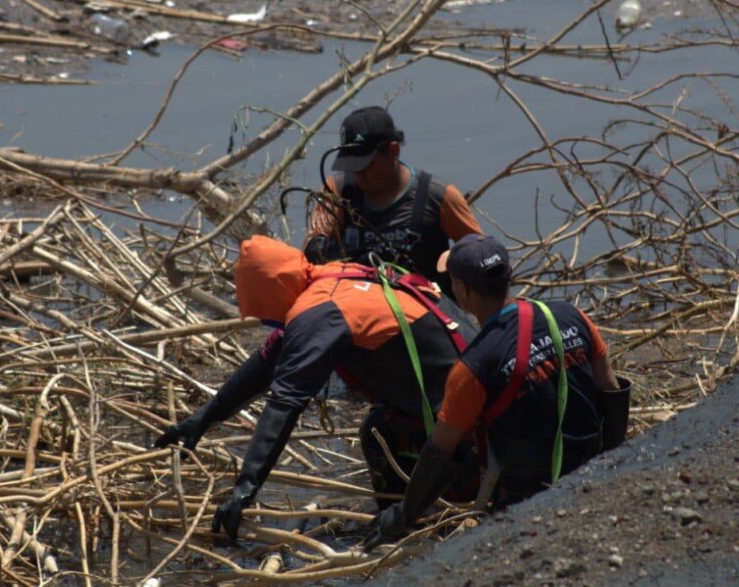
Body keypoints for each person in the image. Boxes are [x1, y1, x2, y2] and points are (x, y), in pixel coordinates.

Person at [154, 235, 480, 541]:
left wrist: (245, 488)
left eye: (265, 315)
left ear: (271, 297)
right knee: (379, 429)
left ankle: (410, 525)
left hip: (469, 417)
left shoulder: (320, 312)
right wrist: (204, 419)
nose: (271, 323)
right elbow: (267, 362)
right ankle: (415, 512)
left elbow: (284, 404)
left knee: (379, 435)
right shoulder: (333, 278)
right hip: (475, 379)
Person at [363, 234, 631, 550]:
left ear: (461, 291)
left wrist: (403, 514)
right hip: (592, 473)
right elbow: (611, 388)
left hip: (527, 502)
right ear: (510, 277)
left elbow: (441, 451)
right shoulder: (572, 316)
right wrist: (613, 469)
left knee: (382, 428)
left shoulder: (474, 366)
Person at [304, 106, 482, 291]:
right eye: (352, 166)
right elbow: (312, 249)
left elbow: (483, 258)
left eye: (367, 165)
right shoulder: (337, 191)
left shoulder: (438, 196)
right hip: (356, 305)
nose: (359, 174)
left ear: (393, 151)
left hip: (424, 310)